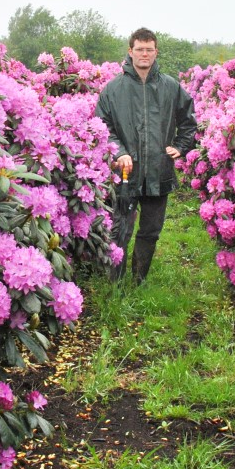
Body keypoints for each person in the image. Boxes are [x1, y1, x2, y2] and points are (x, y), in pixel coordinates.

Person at [94, 28, 198, 282]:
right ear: (130, 52)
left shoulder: (171, 87)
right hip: (126, 173)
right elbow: (101, 127)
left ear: (155, 52)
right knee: (120, 230)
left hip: (158, 170)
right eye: (139, 49)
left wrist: (181, 145)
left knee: (150, 230)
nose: (144, 54)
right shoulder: (113, 89)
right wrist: (119, 152)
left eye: (149, 49)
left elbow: (189, 121)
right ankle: (114, 284)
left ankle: (139, 280)